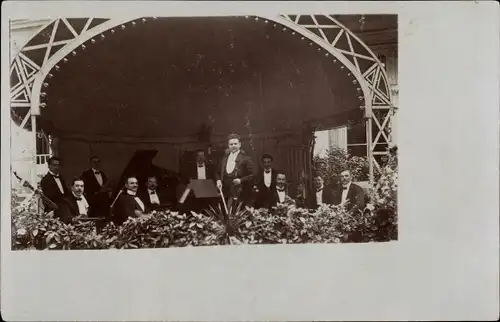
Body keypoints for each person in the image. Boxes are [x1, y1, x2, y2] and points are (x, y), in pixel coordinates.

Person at [215, 133, 256, 207]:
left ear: (239, 144)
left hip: (241, 194)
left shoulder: (246, 159)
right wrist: (218, 180)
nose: (233, 146)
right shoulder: (224, 159)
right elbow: (217, 172)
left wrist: (241, 180)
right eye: (231, 144)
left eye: (235, 144)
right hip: (226, 194)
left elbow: (253, 175)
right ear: (228, 145)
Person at [80, 156, 111, 220]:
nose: (96, 163)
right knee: (95, 219)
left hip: (103, 201)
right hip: (93, 202)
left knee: (104, 218)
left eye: (98, 162)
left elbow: (105, 185)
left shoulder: (102, 173)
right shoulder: (86, 174)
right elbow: (83, 187)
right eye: (94, 162)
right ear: (91, 163)